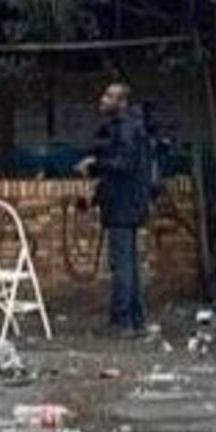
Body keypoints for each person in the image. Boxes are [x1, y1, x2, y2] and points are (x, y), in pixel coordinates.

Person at [77, 83, 154, 336]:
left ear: (122, 103)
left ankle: (123, 321)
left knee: (122, 263)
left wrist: (96, 163)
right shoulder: (130, 127)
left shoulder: (126, 129)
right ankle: (136, 319)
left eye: (109, 96)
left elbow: (123, 164)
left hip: (123, 204)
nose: (103, 99)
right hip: (130, 203)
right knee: (129, 263)